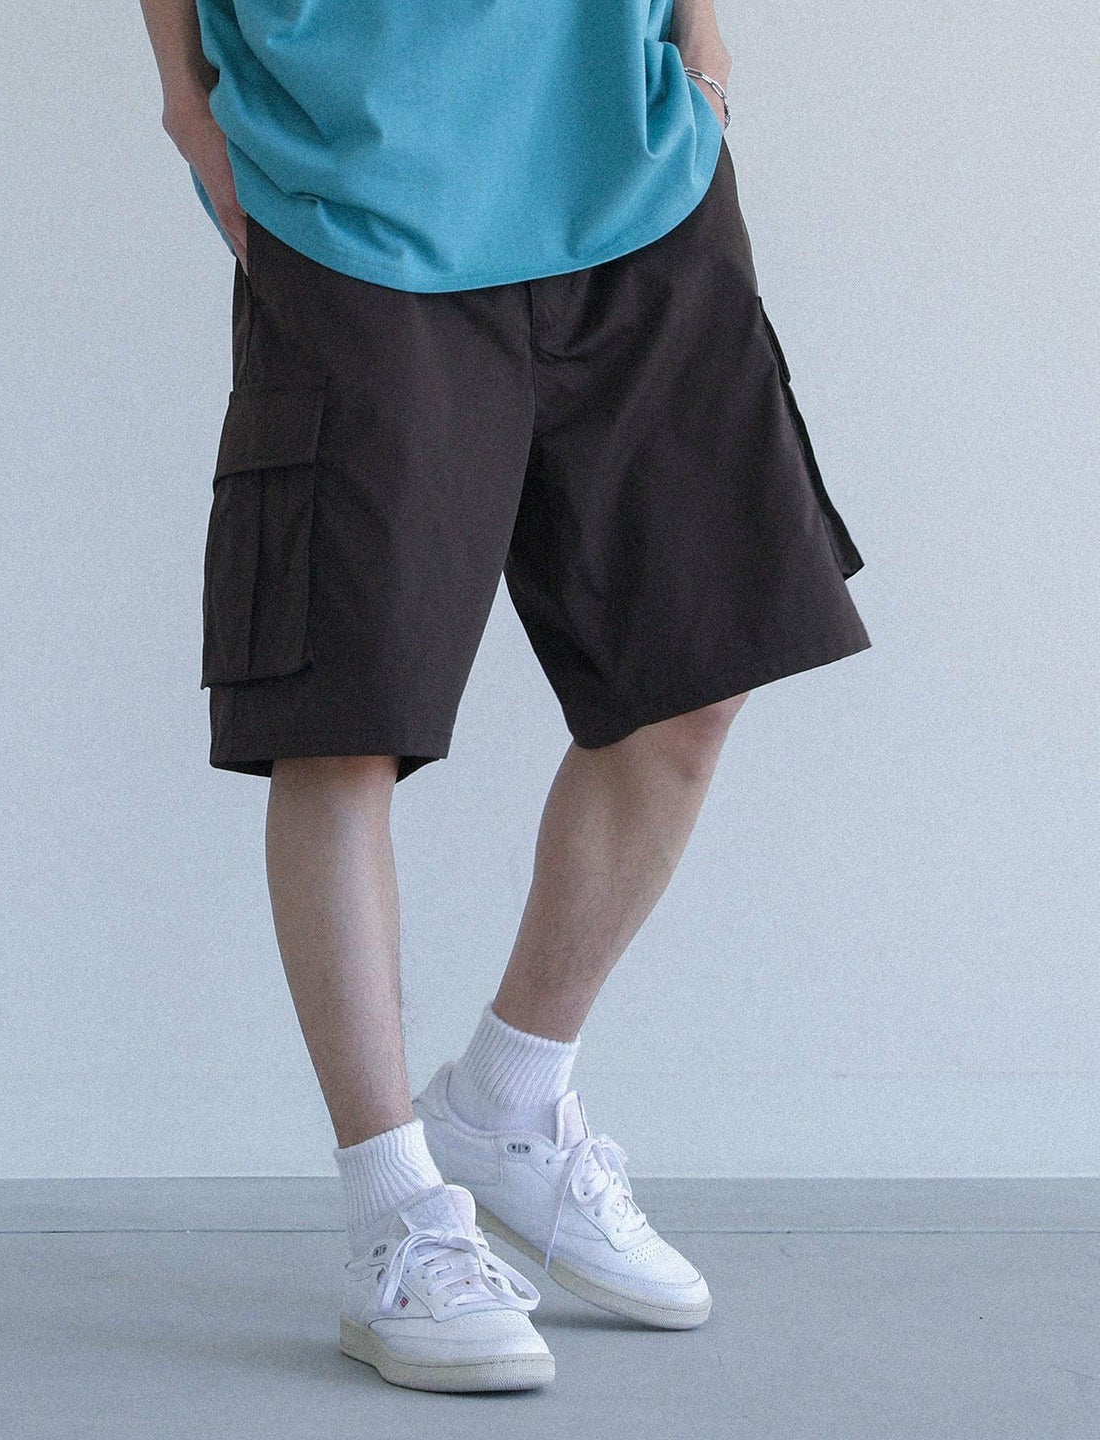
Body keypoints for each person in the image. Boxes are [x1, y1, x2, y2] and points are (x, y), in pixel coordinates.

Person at [139, 0, 871, 1395]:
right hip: (351, 175)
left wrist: (702, 41)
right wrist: (183, 88)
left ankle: (510, 1103)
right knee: (343, 717)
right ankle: (394, 1210)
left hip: (632, 162)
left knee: (692, 675)